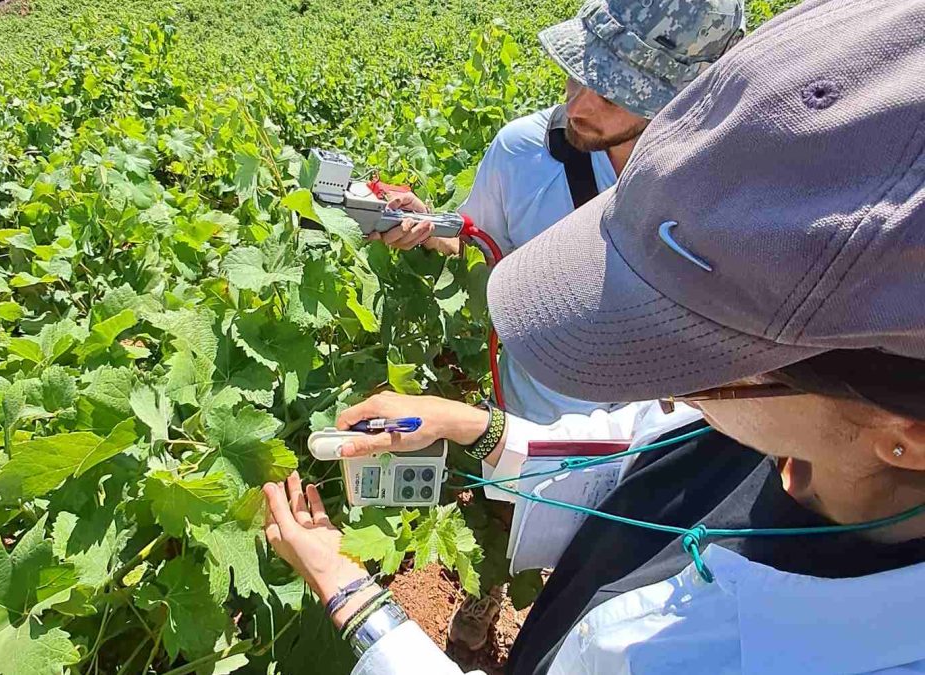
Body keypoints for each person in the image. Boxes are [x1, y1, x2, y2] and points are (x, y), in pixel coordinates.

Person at [262, 0, 925, 672]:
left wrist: (354, 601)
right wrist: (478, 430)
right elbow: (639, 464)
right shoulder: (769, 444)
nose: (671, 383)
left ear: (908, 432)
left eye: (710, 350)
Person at [376, 0, 746, 425]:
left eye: (611, 94)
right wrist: (429, 226)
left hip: (662, 448)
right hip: (534, 441)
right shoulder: (523, 154)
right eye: (579, 72)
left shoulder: (727, 180)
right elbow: (479, 245)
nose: (577, 107)